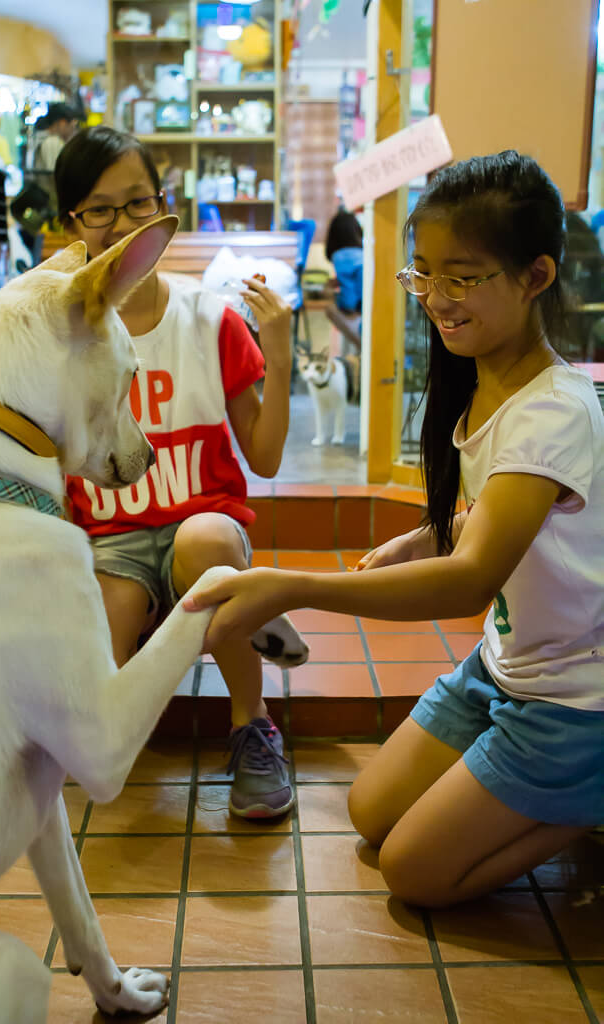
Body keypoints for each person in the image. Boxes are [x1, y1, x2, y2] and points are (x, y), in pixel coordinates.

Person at [186, 150, 604, 905]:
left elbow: (471, 580)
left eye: (463, 276)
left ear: (535, 275)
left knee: (413, 873)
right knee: (369, 812)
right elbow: (500, 520)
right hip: (505, 666)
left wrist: (289, 585)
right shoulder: (485, 381)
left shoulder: (553, 410)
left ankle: (589, 795)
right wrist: (428, 535)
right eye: (423, 274)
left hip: (574, 700)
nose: (436, 298)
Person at [55, 125, 296, 819]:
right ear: (71, 224)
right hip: (112, 542)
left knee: (207, 547)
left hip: (203, 526)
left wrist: (276, 357)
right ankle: (117, 720)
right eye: (98, 210)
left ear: (166, 207)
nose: (123, 224)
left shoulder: (209, 316)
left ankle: (253, 727)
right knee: (113, 615)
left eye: (137, 203)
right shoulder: (61, 330)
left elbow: (266, 457)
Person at [325, 209, 364, 314]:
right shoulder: (363, 253)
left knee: (330, 311)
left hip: (356, 311)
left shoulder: (338, 256)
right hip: (370, 307)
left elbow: (348, 299)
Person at [36, 102, 79, 173]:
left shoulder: (41, 137)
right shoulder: (52, 142)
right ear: (62, 123)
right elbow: (54, 172)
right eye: (72, 126)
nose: (73, 131)